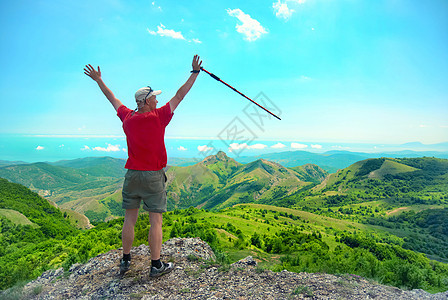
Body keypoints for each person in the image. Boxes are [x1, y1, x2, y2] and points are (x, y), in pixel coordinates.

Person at [84, 55, 202, 277]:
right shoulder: (159, 117)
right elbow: (180, 95)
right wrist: (194, 74)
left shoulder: (127, 118)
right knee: (155, 220)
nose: (158, 101)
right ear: (147, 101)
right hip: (153, 177)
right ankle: (156, 265)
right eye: (155, 98)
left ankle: (126, 260)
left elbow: (112, 98)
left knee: (130, 218)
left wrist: (99, 80)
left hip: (132, 175)